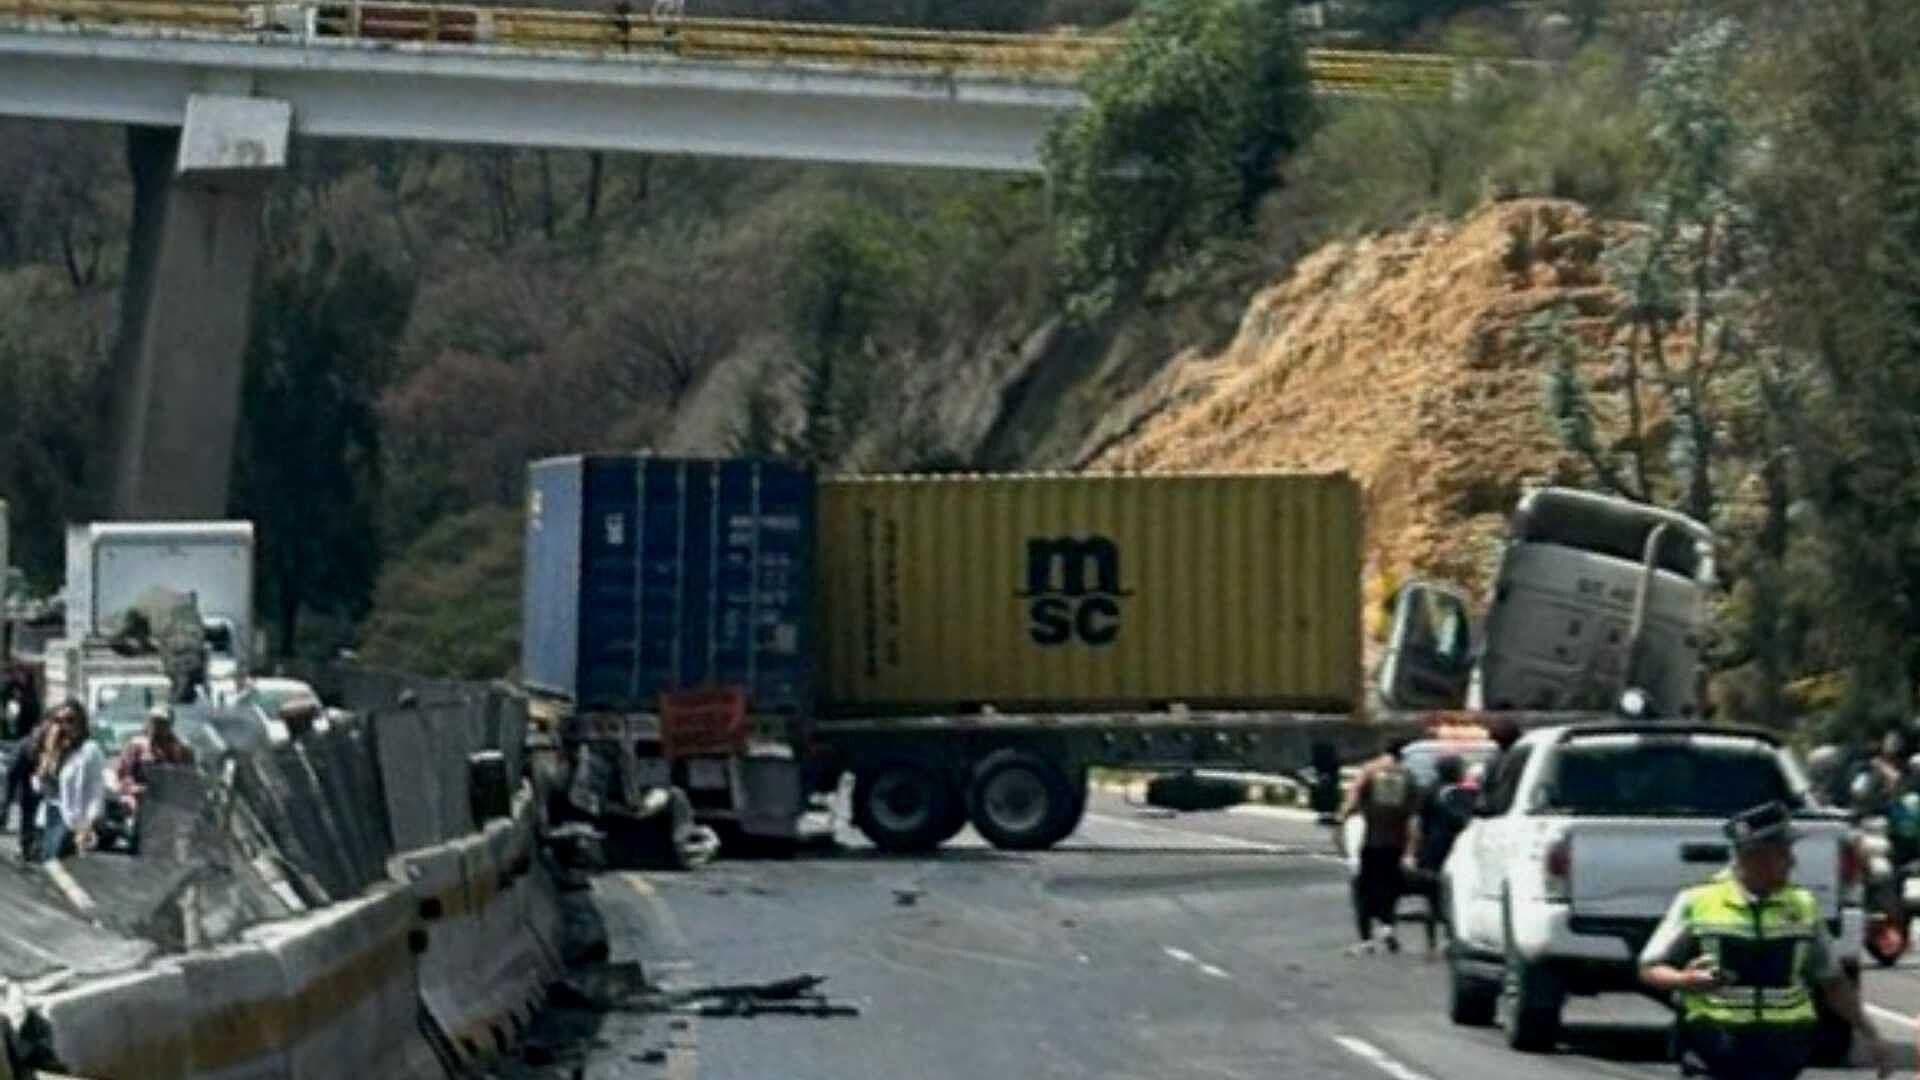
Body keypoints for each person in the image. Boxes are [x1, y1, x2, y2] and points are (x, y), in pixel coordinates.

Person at [1639, 801, 1892, 1079]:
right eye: (1783, 853)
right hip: (1713, 1048)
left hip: (1780, 1055)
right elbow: (1650, 967)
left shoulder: (1803, 906)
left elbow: (1832, 981)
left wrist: (1870, 1033)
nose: (1792, 862)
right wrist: (1684, 980)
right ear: (1754, 855)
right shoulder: (1697, 901)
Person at [1339, 737, 1418, 955]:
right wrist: (1411, 850)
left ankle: (1366, 940)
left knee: (1363, 889)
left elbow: (1353, 798)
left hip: (1371, 839)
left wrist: (1342, 818)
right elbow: (1413, 819)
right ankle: (1388, 927)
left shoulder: (1370, 771)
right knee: (1389, 887)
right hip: (1396, 842)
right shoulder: (1408, 776)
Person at [1404, 753, 1474, 957]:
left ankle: (1432, 943)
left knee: (1432, 899)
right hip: (1453, 848)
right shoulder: (1460, 793)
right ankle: (1450, 939)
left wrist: (1412, 850)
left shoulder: (1429, 791)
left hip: (1431, 849)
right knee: (1452, 896)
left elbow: (1417, 822)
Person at [30, 701, 105, 862]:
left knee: (58, 867)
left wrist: (88, 825)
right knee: (48, 869)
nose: (64, 726)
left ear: (81, 723)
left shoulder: (89, 750)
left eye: (70, 720)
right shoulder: (55, 750)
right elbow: (38, 788)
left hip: (71, 820)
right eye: (58, 720)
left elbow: (96, 791)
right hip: (47, 817)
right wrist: (48, 755)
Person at [115, 705, 196, 808]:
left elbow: (190, 779)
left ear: (170, 724)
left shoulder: (182, 749)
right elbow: (123, 776)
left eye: (162, 723)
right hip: (142, 803)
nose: (157, 727)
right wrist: (135, 789)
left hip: (172, 803)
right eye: (154, 722)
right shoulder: (136, 746)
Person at [5, 708, 53, 859]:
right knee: (30, 811)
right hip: (31, 785)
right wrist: (7, 801)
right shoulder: (28, 743)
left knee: (35, 813)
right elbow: (13, 773)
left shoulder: (56, 740)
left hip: (43, 786)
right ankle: (28, 846)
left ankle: (32, 845)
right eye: (50, 722)